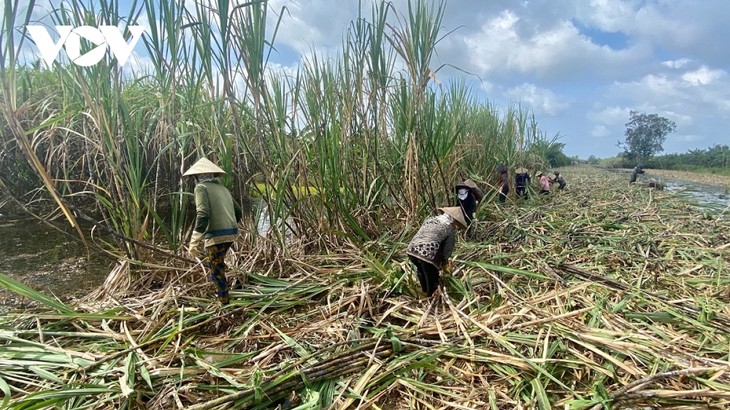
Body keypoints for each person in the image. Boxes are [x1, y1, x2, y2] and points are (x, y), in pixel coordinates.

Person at [183, 158, 242, 304]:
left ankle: (223, 300)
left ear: (197, 177)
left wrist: (194, 241)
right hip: (231, 232)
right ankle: (237, 284)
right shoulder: (223, 189)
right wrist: (230, 224)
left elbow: (203, 214)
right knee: (218, 262)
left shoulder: (201, 188)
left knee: (216, 269)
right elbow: (238, 211)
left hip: (216, 236)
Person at [407, 207, 467, 297]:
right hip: (427, 254)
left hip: (411, 250)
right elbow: (447, 250)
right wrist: (445, 264)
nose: (456, 226)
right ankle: (430, 298)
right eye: (456, 223)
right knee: (432, 279)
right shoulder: (449, 228)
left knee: (421, 271)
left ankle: (423, 292)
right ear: (453, 220)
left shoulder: (431, 220)